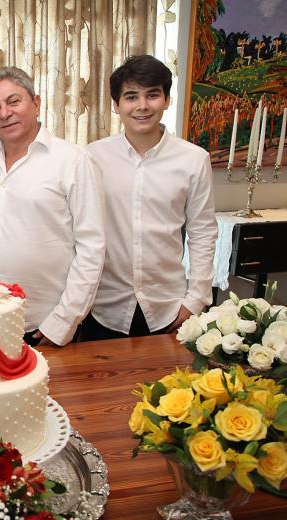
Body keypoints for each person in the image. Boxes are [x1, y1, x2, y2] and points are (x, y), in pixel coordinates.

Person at [82, 55, 217, 340]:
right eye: (131, 96)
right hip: (103, 307)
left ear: (166, 100)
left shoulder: (193, 159)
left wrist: (195, 300)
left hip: (169, 307)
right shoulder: (92, 157)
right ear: (116, 105)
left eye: (152, 95)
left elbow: (203, 231)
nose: (142, 106)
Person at [0, 67, 105, 347]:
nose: (5, 113)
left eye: (14, 101)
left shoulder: (72, 160)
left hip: (44, 326)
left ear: (36, 103)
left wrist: (64, 321)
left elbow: (92, 247)